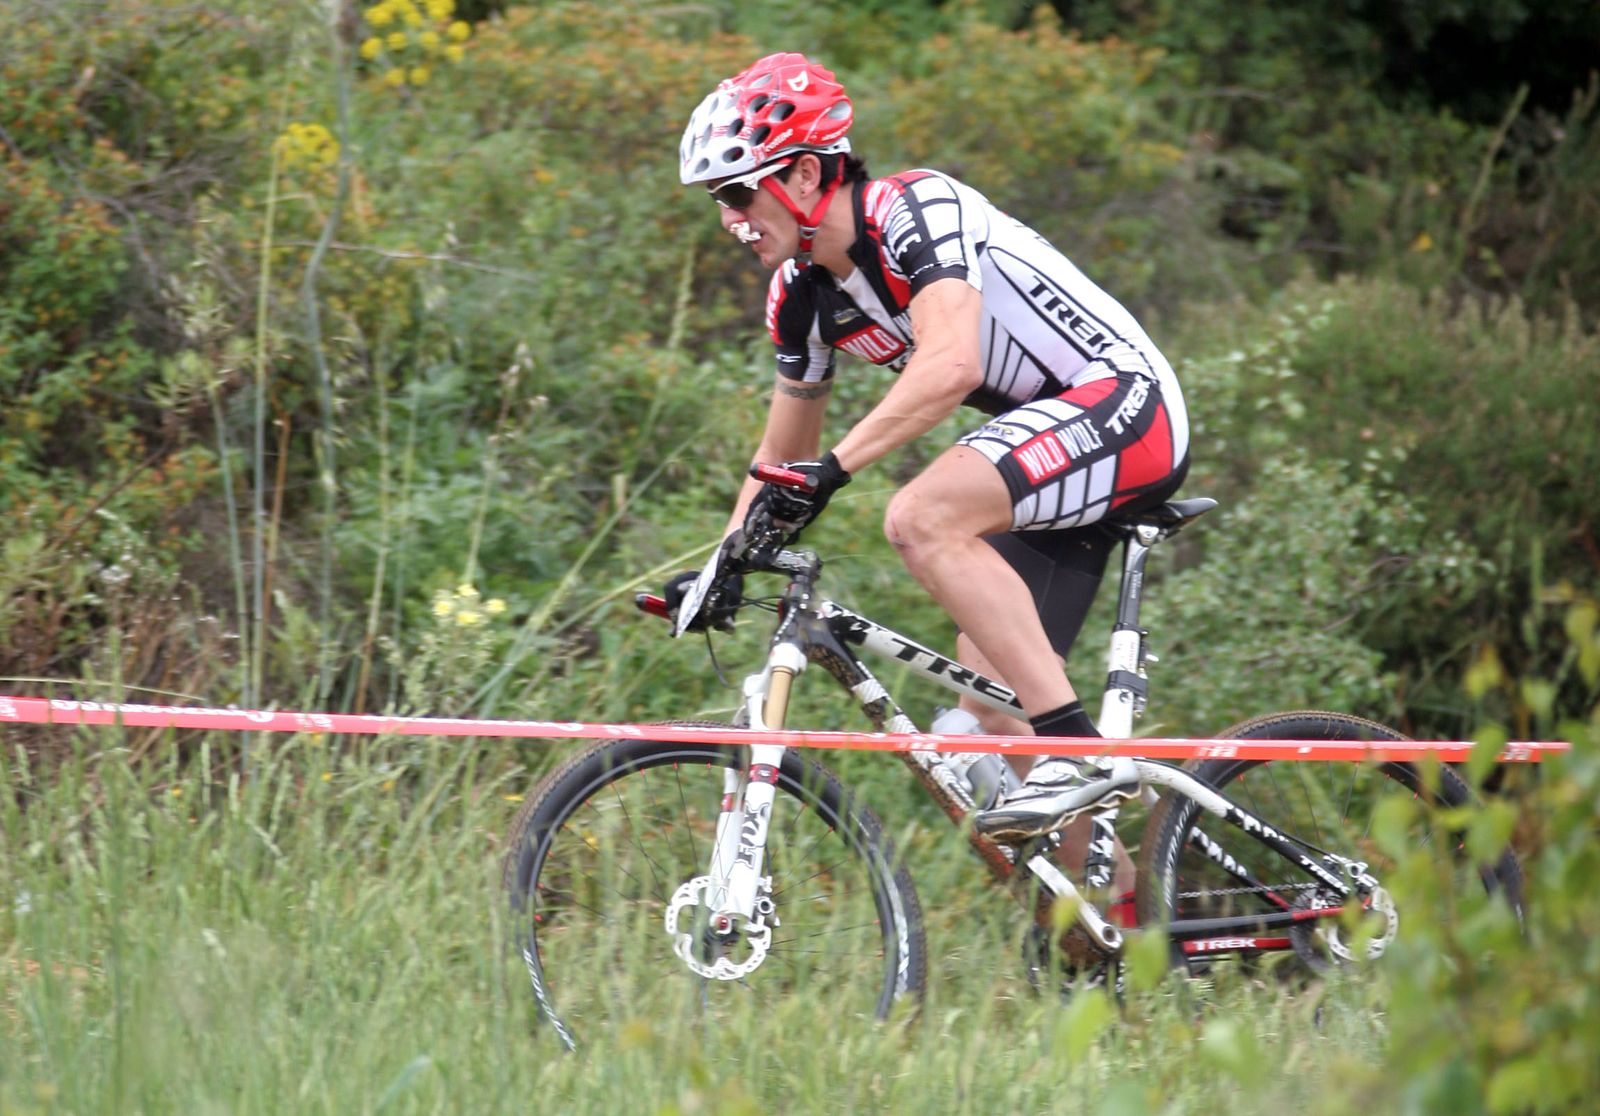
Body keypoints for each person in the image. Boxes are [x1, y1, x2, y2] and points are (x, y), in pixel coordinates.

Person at [668, 52, 1190, 846]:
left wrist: (836, 472)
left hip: (1125, 403)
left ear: (806, 175)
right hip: (1059, 445)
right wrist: (721, 565)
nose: (730, 219)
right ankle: (1120, 917)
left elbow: (954, 364)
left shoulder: (915, 209)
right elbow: (780, 459)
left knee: (922, 516)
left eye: (739, 193)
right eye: (719, 200)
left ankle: (1078, 754)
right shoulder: (800, 296)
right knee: (982, 724)